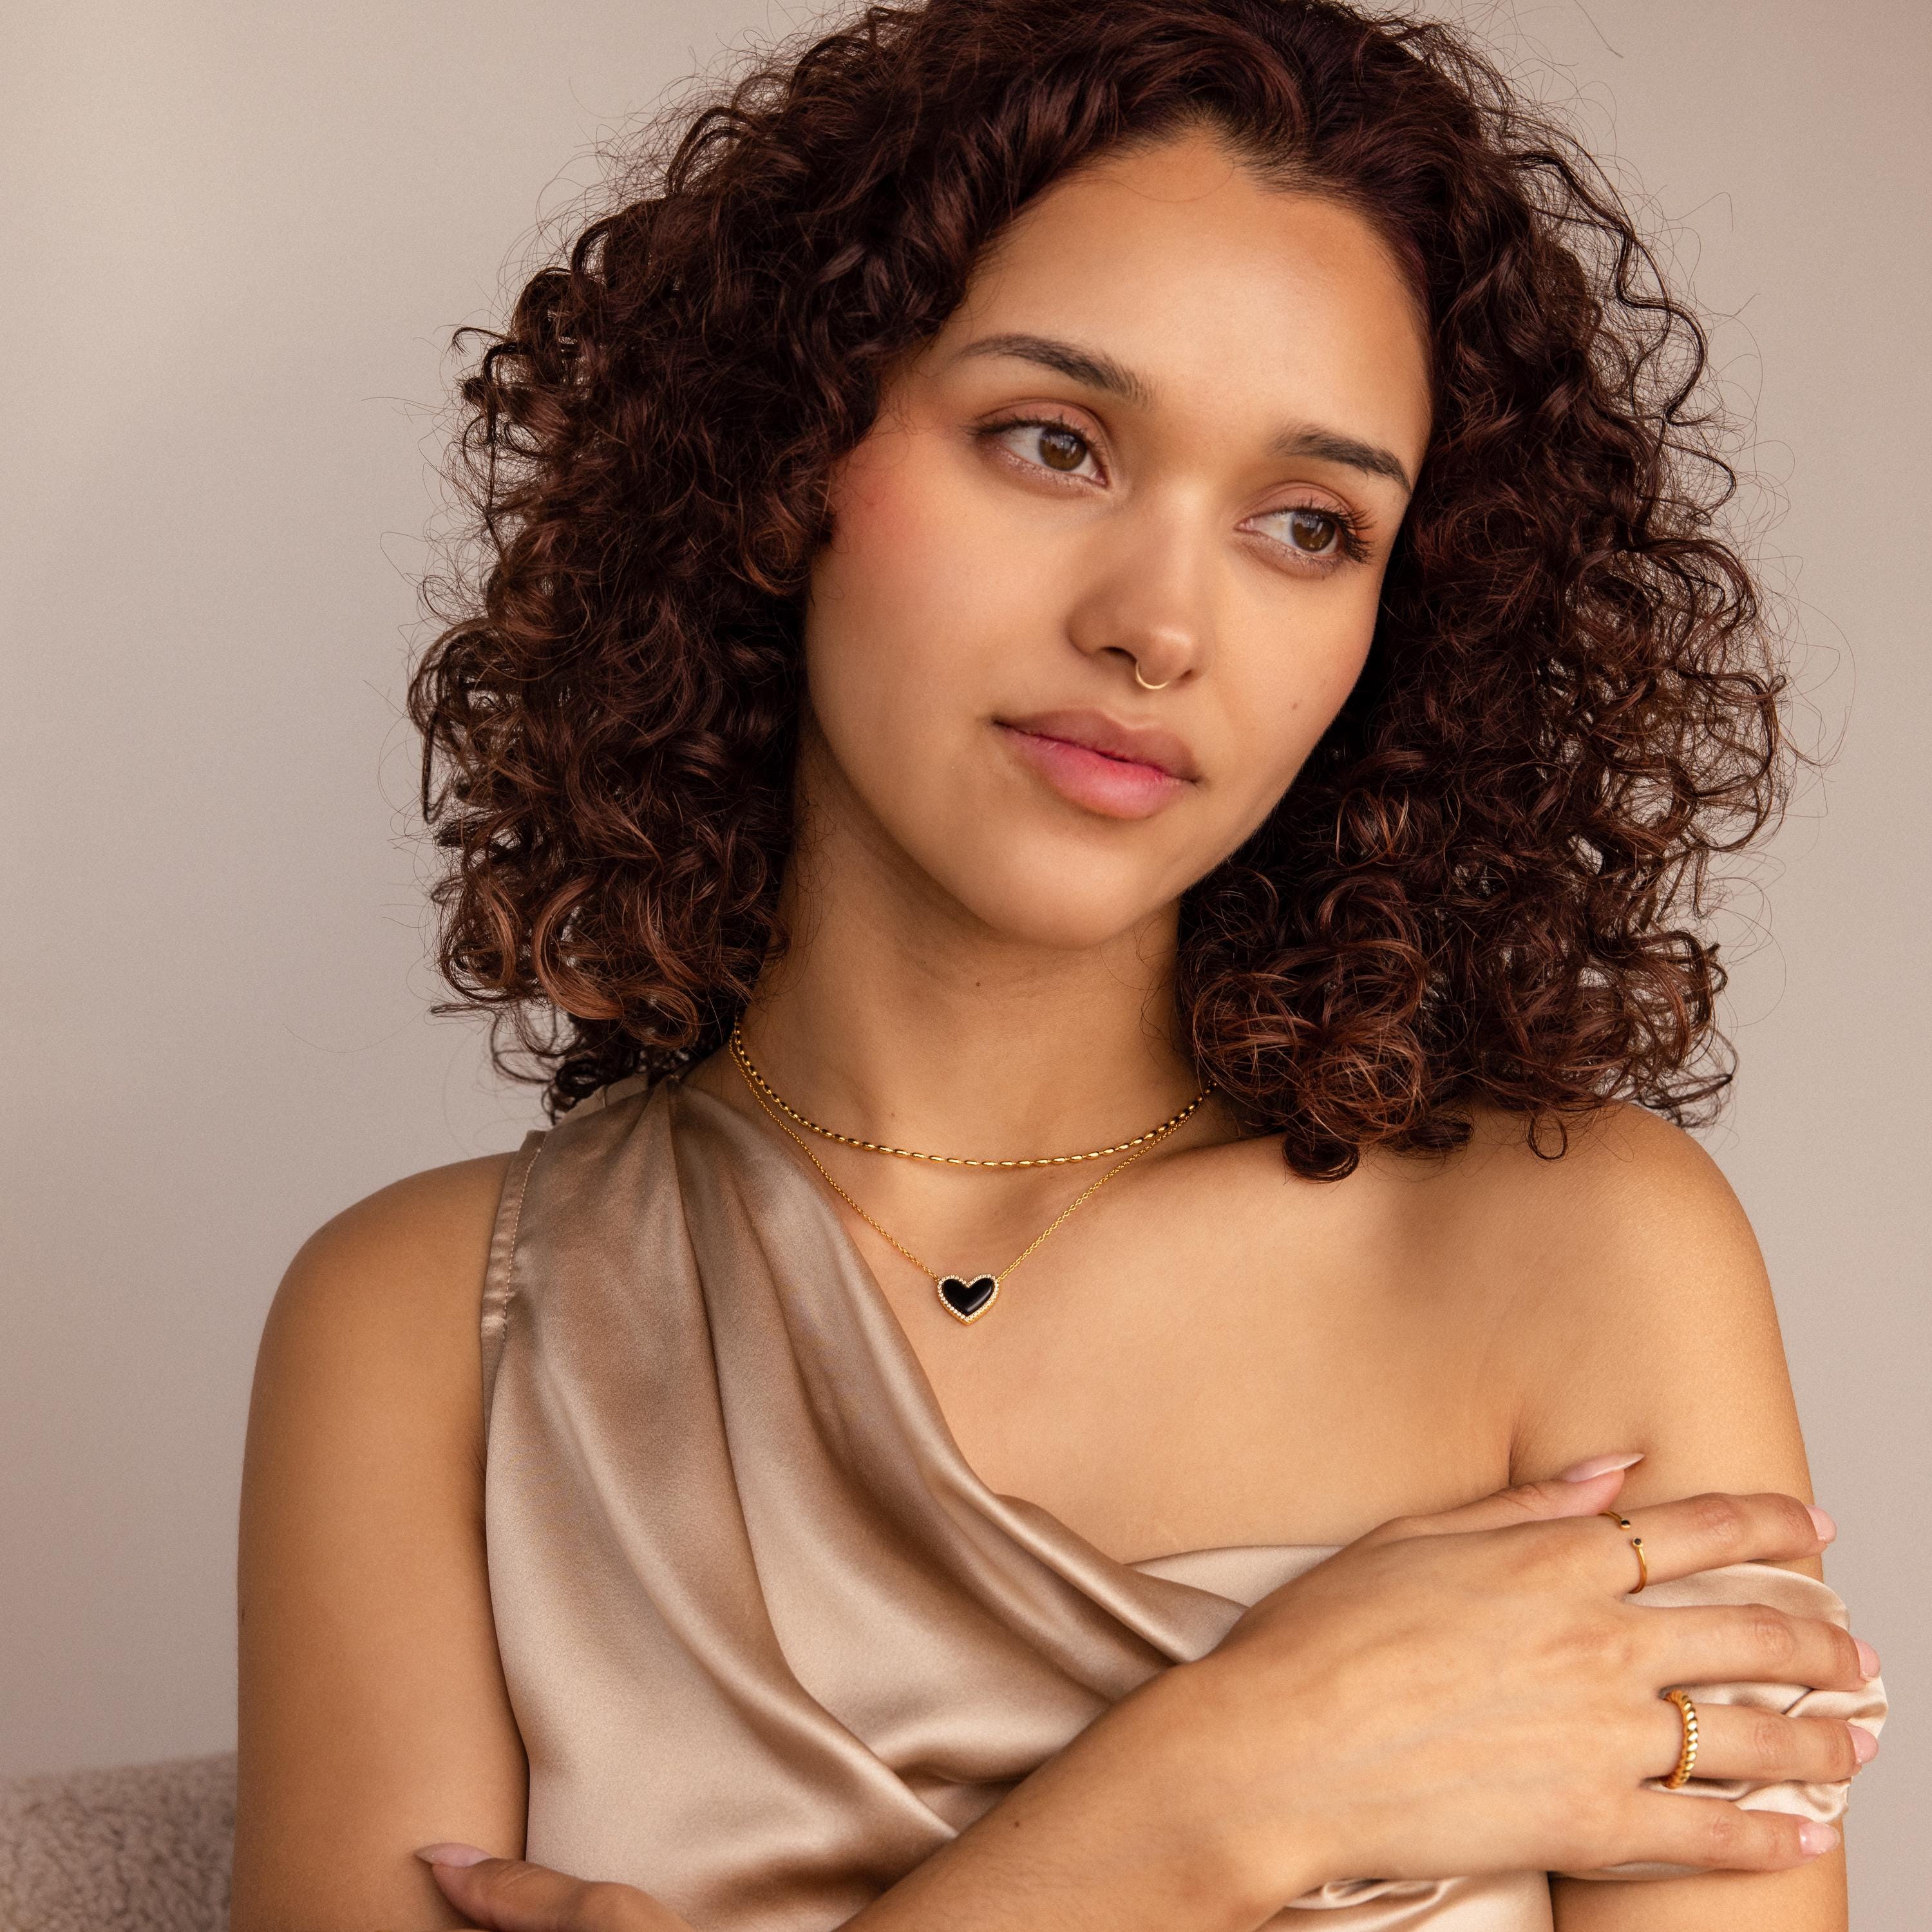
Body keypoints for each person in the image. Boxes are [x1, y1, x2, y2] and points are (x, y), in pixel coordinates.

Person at [230, 2, 1889, 1927]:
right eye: (1054, 441)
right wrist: (1220, 1793)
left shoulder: (1578, 1251)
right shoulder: (433, 1327)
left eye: (1305, 524)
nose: (1161, 625)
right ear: (791, 458)